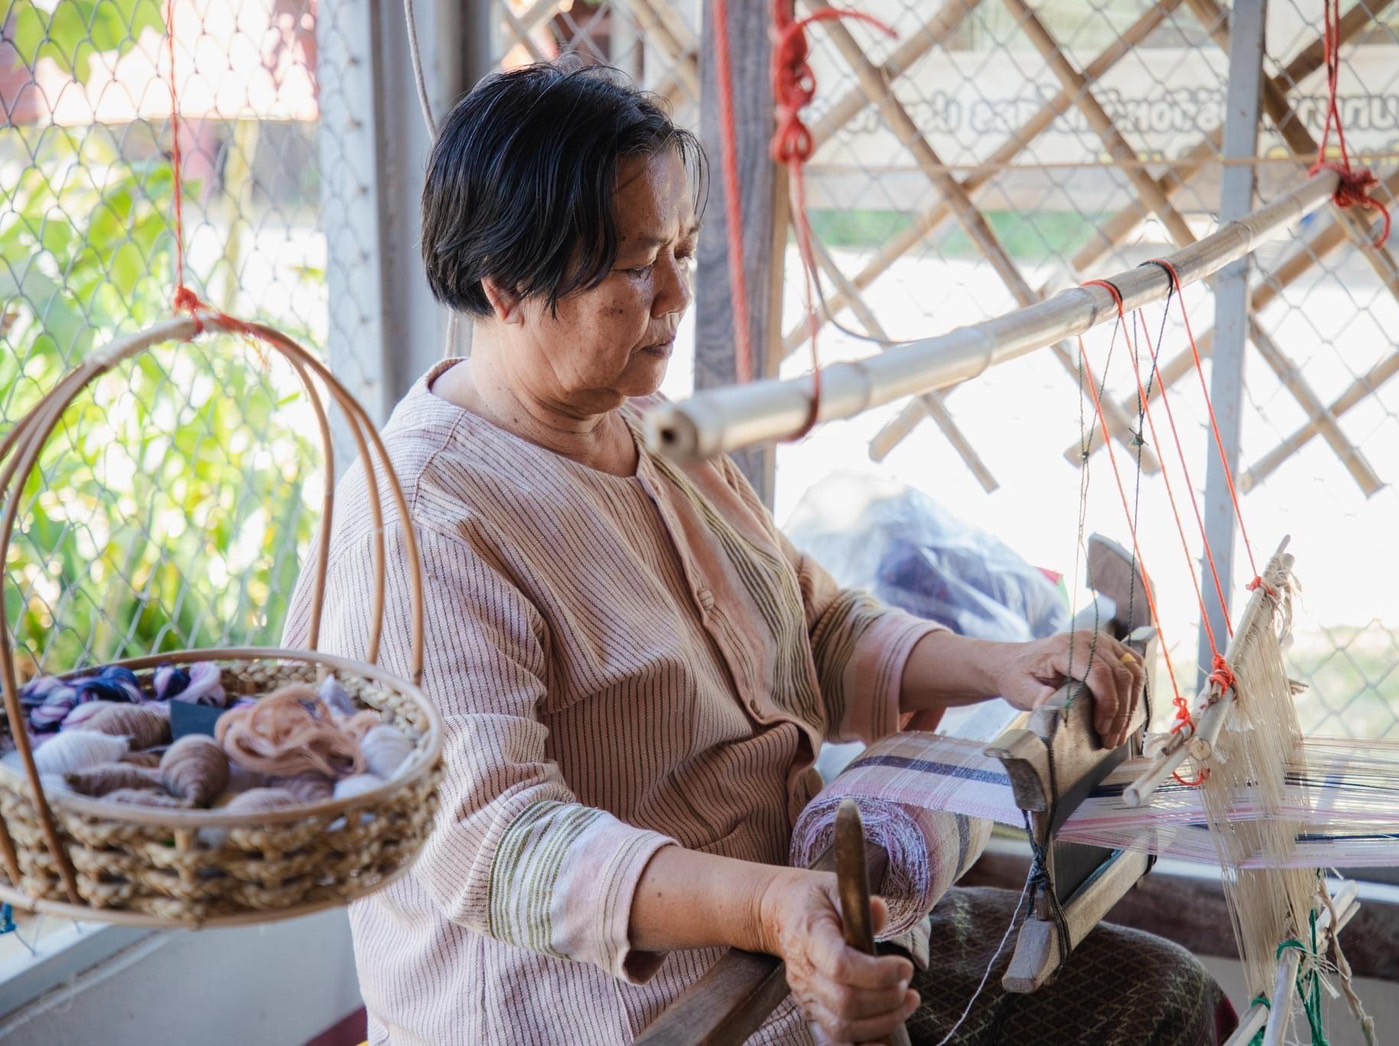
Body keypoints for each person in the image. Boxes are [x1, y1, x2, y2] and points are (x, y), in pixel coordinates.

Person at [285, 61, 1232, 1046]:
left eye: (682, 251)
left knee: (1154, 990)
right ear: (508, 285)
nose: (675, 293)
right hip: (634, 1012)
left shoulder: (651, 432)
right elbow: (503, 844)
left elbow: (813, 625)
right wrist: (772, 908)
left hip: (795, 939)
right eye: (636, 266)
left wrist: (1000, 663)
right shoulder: (425, 524)